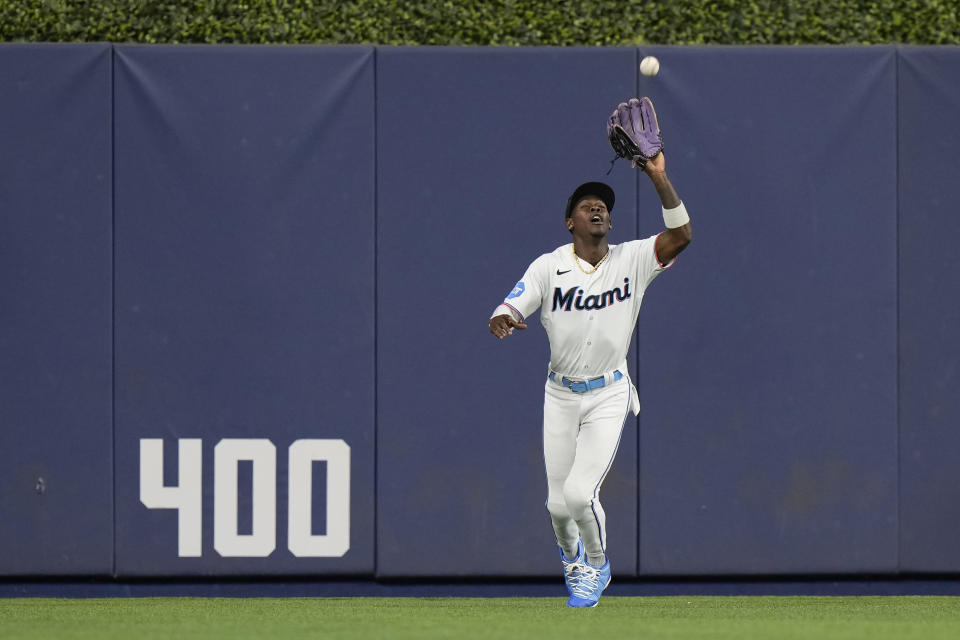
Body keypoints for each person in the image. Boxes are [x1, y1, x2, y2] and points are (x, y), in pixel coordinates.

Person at [488, 151, 691, 607]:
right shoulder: (549, 266)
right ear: (569, 223)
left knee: (580, 494)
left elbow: (681, 234)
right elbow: (512, 304)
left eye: (603, 205)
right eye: (586, 205)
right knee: (557, 507)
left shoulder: (633, 259)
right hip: (559, 394)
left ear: (610, 223)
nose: (597, 208)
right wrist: (502, 317)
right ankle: (572, 558)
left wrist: (658, 176)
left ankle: (597, 566)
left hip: (609, 392)